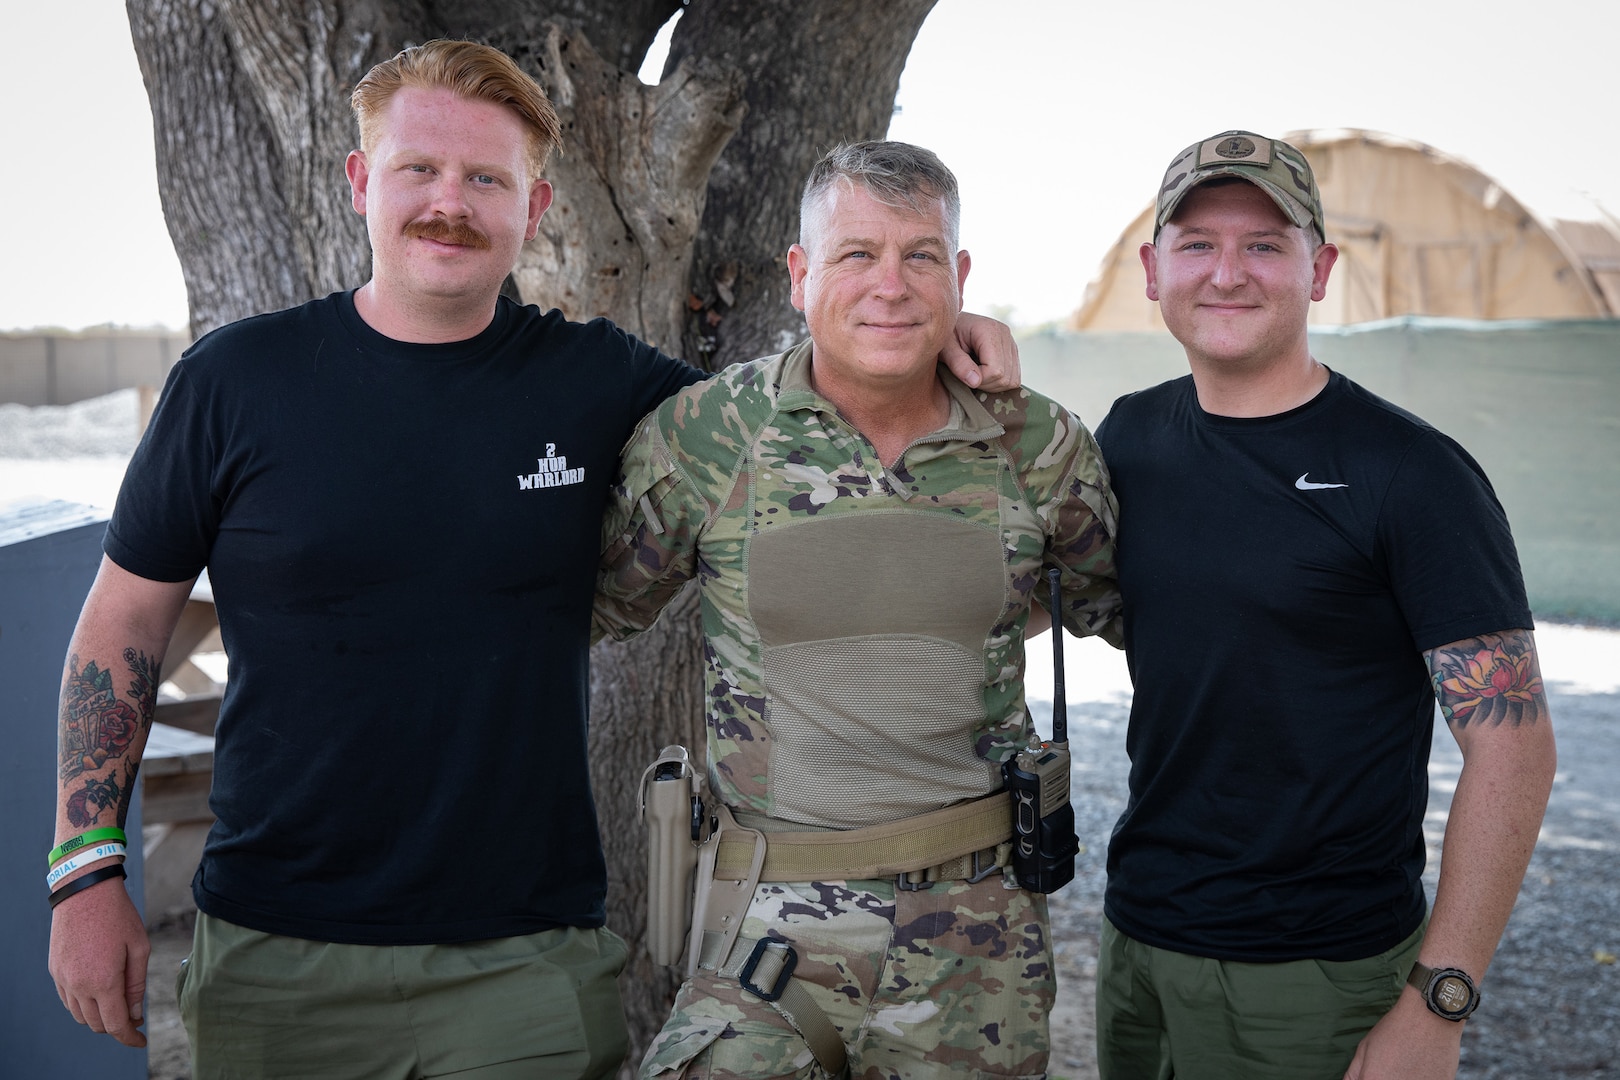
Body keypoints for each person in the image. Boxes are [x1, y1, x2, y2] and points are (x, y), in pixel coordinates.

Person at [44, 41, 1021, 1078]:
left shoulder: (595, 382)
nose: (448, 203)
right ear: (361, 182)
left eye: (486, 179)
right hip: (279, 955)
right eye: (419, 169)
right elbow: (123, 626)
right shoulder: (233, 383)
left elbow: (798, 414)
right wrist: (83, 871)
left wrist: (934, 331)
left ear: (536, 204)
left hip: (526, 964)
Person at [594, 140, 1122, 1079]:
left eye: (921, 256)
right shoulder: (710, 437)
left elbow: (1116, 607)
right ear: (800, 275)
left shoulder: (1036, 446)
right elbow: (594, 606)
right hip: (765, 935)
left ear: (959, 276)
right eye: (855, 254)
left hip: (979, 940)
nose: (892, 284)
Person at [1091, 130, 1559, 1080]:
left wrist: (1440, 1000)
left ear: (1320, 270)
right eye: (1197, 243)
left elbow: (1514, 746)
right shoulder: (1131, 436)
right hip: (1137, 945)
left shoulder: (1411, 474)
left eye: (1266, 244)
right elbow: (1033, 586)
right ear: (1151, 270)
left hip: (1315, 974)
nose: (1228, 272)